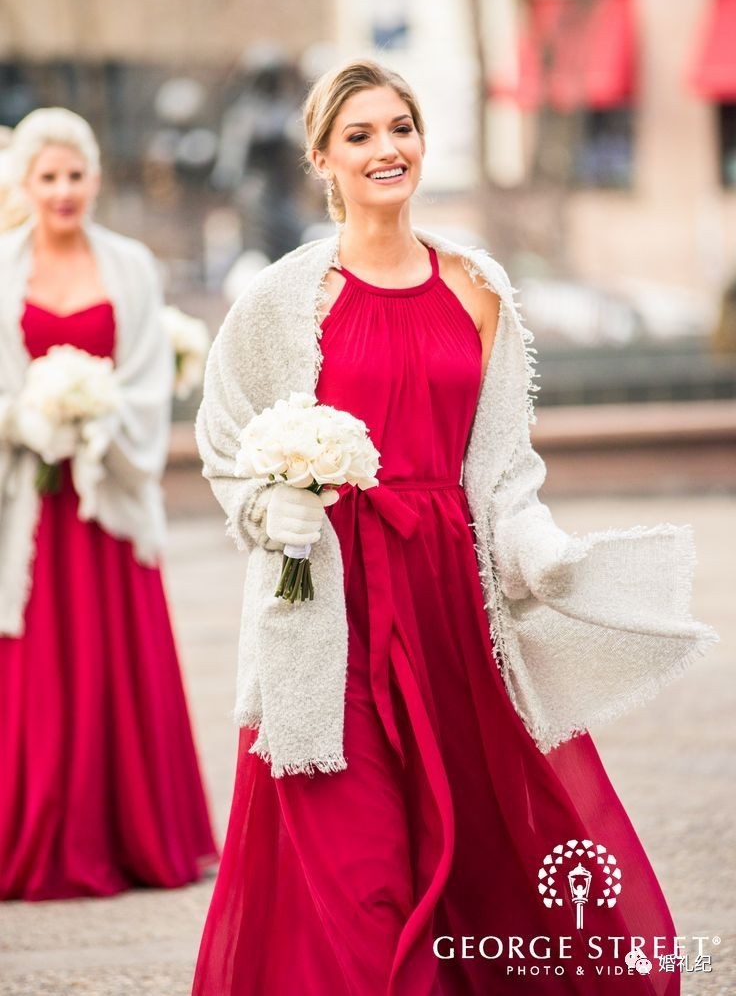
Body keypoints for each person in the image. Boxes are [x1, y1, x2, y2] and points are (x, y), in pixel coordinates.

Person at [192, 60, 717, 994]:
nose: (385, 149)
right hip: (326, 607)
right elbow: (228, 435)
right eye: (359, 135)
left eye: (400, 127)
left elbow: (505, 471)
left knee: (477, 839)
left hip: (448, 609)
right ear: (322, 158)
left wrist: (540, 553)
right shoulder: (282, 299)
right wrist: (267, 507)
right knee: (358, 869)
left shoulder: (480, 291)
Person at [0, 107, 217, 899]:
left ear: (95, 177)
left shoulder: (131, 266)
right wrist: (31, 416)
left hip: (108, 502)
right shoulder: (1, 267)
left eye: (75, 175)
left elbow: (149, 379)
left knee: (114, 661)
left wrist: (95, 418)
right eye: (47, 177)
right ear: (24, 184)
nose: (63, 191)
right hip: (30, 506)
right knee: (36, 671)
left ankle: (133, 834)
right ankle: (36, 835)